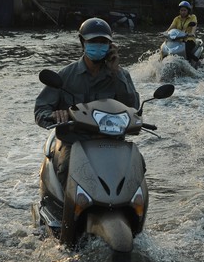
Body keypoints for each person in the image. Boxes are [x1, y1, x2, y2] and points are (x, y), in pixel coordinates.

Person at [34, 17, 140, 186]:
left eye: (103, 42)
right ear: (83, 42)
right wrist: (54, 115)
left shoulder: (120, 75)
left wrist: (116, 72)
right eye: (93, 41)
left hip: (112, 142)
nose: (98, 45)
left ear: (111, 46)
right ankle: (67, 212)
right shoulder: (66, 75)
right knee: (67, 169)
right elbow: (41, 109)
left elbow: (133, 109)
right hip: (75, 143)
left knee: (137, 167)